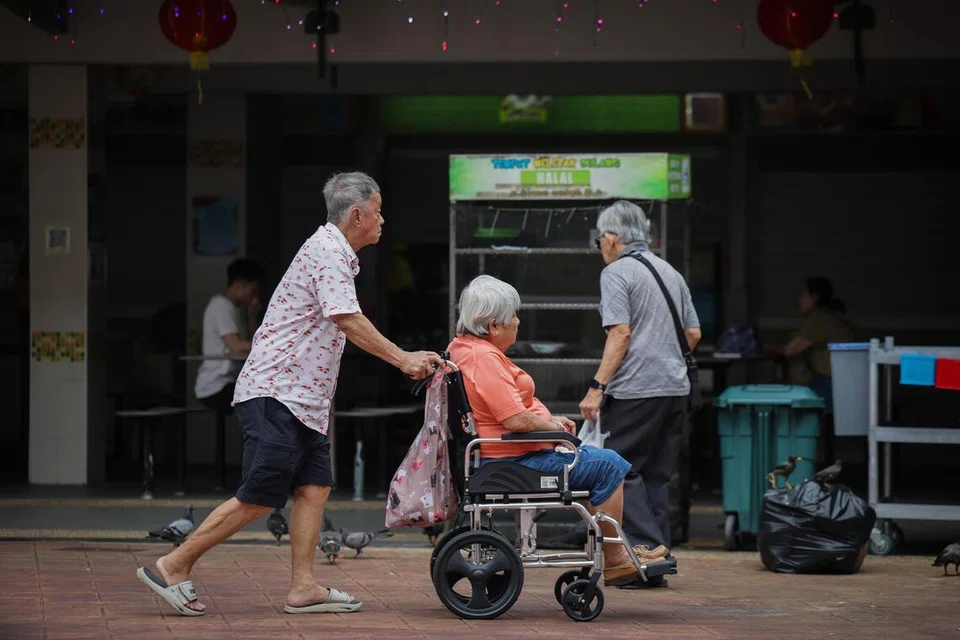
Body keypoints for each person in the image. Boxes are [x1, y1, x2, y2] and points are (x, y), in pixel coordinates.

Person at [136, 171, 444, 617]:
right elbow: (347, 318)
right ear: (357, 215)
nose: (383, 220)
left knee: (314, 488)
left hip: (304, 402)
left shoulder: (336, 254)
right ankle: (174, 564)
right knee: (260, 496)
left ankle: (303, 587)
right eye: (378, 212)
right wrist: (403, 358)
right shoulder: (328, 252)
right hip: (276, 392)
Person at [447, 275, 659, 588]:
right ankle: (615, 559)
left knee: (596, 460)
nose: (518, 322)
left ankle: (617, 549)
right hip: (513, 461)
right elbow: (515, 420)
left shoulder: (463, 348)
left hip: (505, 455)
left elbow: (507, 411)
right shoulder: (484, 358)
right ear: (493, 325)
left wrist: (549, 422)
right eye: (514, 316)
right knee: (609, 465)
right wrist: (554, 428)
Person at [579, 200, 701, 588]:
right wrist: (664, 362)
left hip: (635, 391)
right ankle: (652, 566)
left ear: (613, 238)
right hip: (675, 389)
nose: (600, 246)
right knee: (654, 477)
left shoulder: (617, 273)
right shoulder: (670, 272)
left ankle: (644, 553)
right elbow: (693, 333)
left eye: (599, 239)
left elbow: (620, 333)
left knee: (616, 468)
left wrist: (597, 387)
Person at [765, 277, 854, 411]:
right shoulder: (832, 316)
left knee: (793, 403)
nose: (799, 300)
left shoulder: (819, 318)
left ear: (815, 298)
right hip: (847, 382)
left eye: (802, 295)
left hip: (830, 382)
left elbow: (789, 350)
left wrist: (759, 347)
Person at [194, 257, 264, 416]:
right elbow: (236, 346)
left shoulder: (235, 310)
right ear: (239, 285)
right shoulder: (221, 306)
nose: (254, 296)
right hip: (217, 384)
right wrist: (271, 345)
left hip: (230, 381)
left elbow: (251, 343)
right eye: (253, 290)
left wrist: (252, 316)